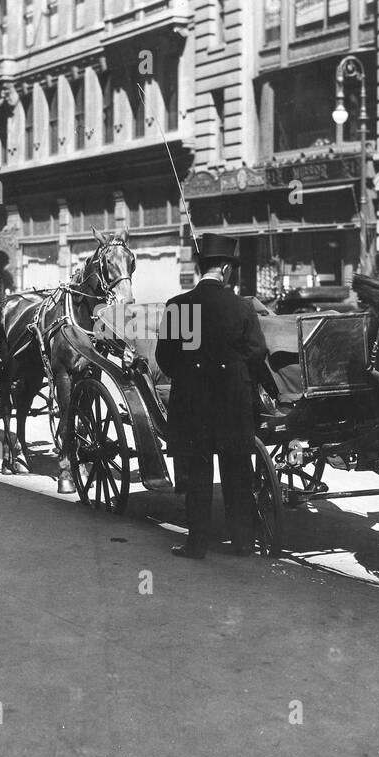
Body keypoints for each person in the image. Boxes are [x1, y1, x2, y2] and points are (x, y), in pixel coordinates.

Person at [155, 234, 269, 559]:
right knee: (237, 473)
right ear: (223, 269)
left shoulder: (179, 306)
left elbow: (166, 357)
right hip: (233, 404)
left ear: (199, 267)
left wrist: (191, 376)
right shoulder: (241, 306)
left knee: (198, 475)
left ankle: (197, 544)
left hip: (193, 404)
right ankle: (243, 543)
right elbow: (257, 352)